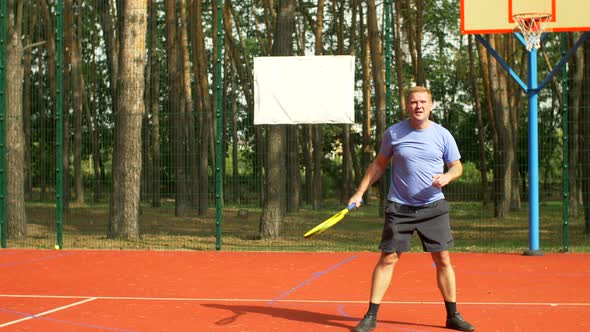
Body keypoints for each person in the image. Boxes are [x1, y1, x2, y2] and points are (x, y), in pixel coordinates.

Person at [348, 86, 476, 332]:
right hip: (400, 207)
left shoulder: (443, 135)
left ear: (431, 105)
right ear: (407, 105)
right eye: (414, 102)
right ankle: (370, 316)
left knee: (443, 259)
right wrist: (359, 192)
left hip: (433, 206)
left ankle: (453, 315)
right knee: (388, 258)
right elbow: (378, 164)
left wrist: (448, 177)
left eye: (423, 102)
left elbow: (457, 166)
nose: (419, 106)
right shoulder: (394, 133)